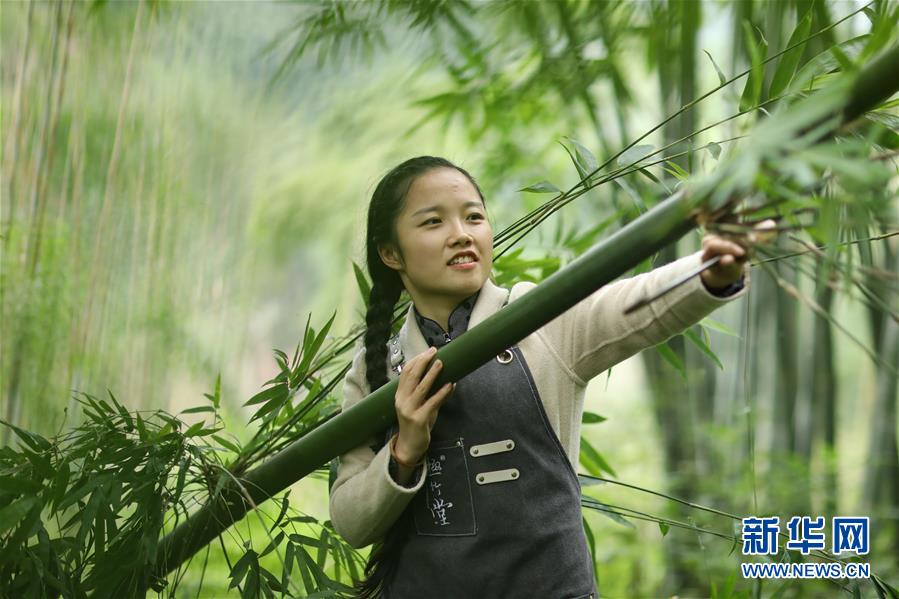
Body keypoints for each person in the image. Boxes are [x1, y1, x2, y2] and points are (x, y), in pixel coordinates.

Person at [329, 156, 754, 599]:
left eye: (474, 217)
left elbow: (631, 304)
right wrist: (404, 452)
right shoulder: (375, 366)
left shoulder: (535, 319)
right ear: (390, 252)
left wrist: (709, 271)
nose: (462, 235)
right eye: (433, 222)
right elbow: (350, 521)